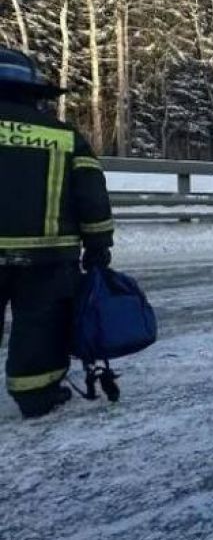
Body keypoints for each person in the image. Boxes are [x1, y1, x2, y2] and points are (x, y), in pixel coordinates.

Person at [0, 47, 114, 419]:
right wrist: (98, 248)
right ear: (35, 94)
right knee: (39, 326)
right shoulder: (62, 137)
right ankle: (37, 396)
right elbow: (92, 197)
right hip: (46, 257)